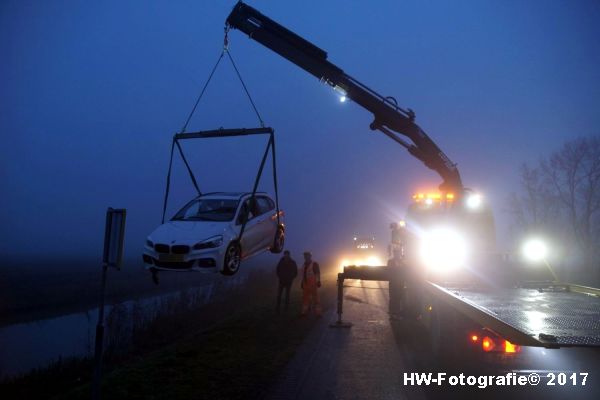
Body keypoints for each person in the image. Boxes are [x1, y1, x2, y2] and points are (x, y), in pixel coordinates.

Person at [301, 251, 322, 317]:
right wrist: (302, 282)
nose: (306, 257)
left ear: (310, 256)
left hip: (313, 284)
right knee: (305, 298)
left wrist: (318, 281)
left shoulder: (314, 264)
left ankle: (318, 313)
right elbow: (303, 275)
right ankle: (304, 312)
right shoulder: (304, 265)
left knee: (315, 299)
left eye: (307, 256)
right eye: (305, 256)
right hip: (305, 284)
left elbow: (317, 273)